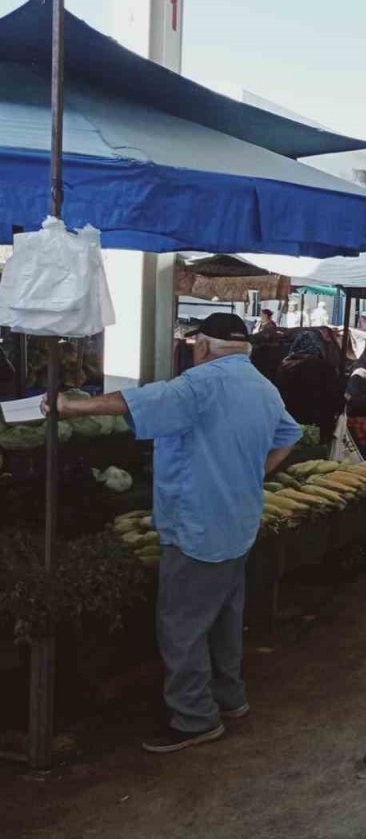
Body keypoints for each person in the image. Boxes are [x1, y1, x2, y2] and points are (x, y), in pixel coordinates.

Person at [48, 314, 301, 752]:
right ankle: (230, 697)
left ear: (202, 347)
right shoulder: (262, 386)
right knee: (223, 618)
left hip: (198, 524)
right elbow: (289, 434)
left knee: (181, 625)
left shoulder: (200, 384)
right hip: (238, 521)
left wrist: (71, 406)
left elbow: (138, 402)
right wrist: (254, 473)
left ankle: (194, 718)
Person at [275, 331, 344, 440]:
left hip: (291, 424)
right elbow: (335, 396)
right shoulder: (324, 367)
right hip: (319, 426)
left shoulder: (284, 366)